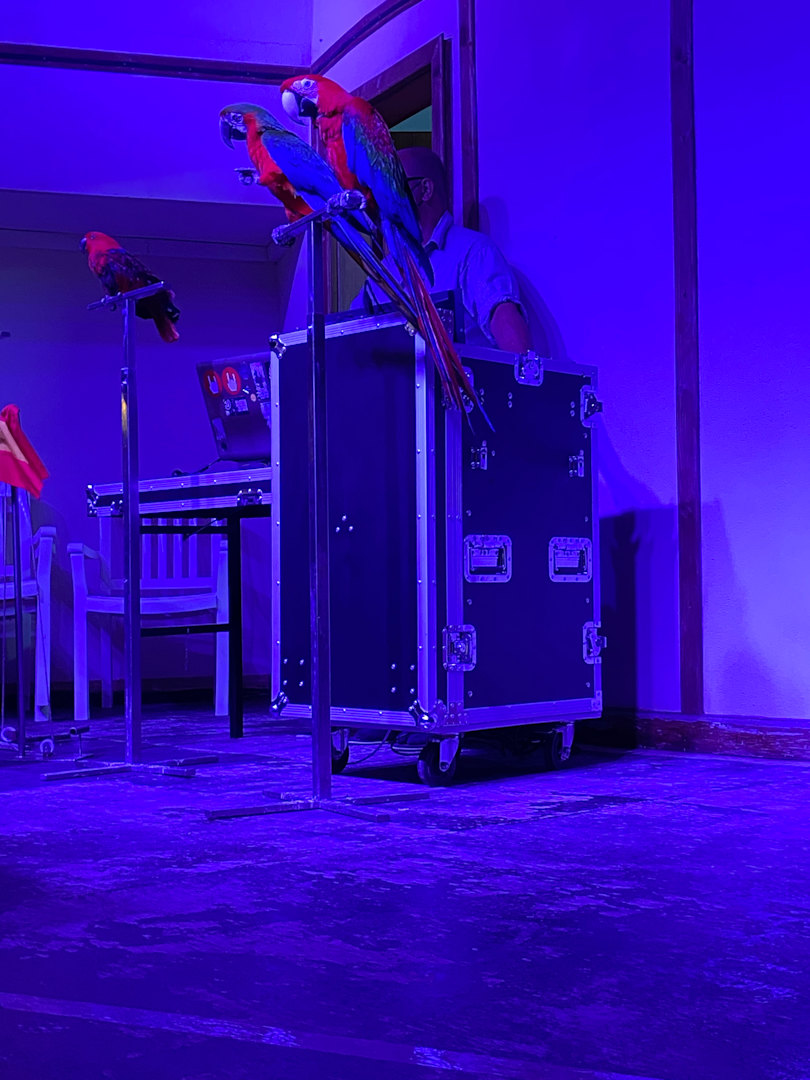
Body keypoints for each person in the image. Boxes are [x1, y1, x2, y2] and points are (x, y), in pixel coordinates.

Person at [354, 147, 531, 353]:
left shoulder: (472, 253)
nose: (384, 197)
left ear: (425, 190)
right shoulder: (385, 270)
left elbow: (518, 351)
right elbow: (345, 337)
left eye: (393, 185)